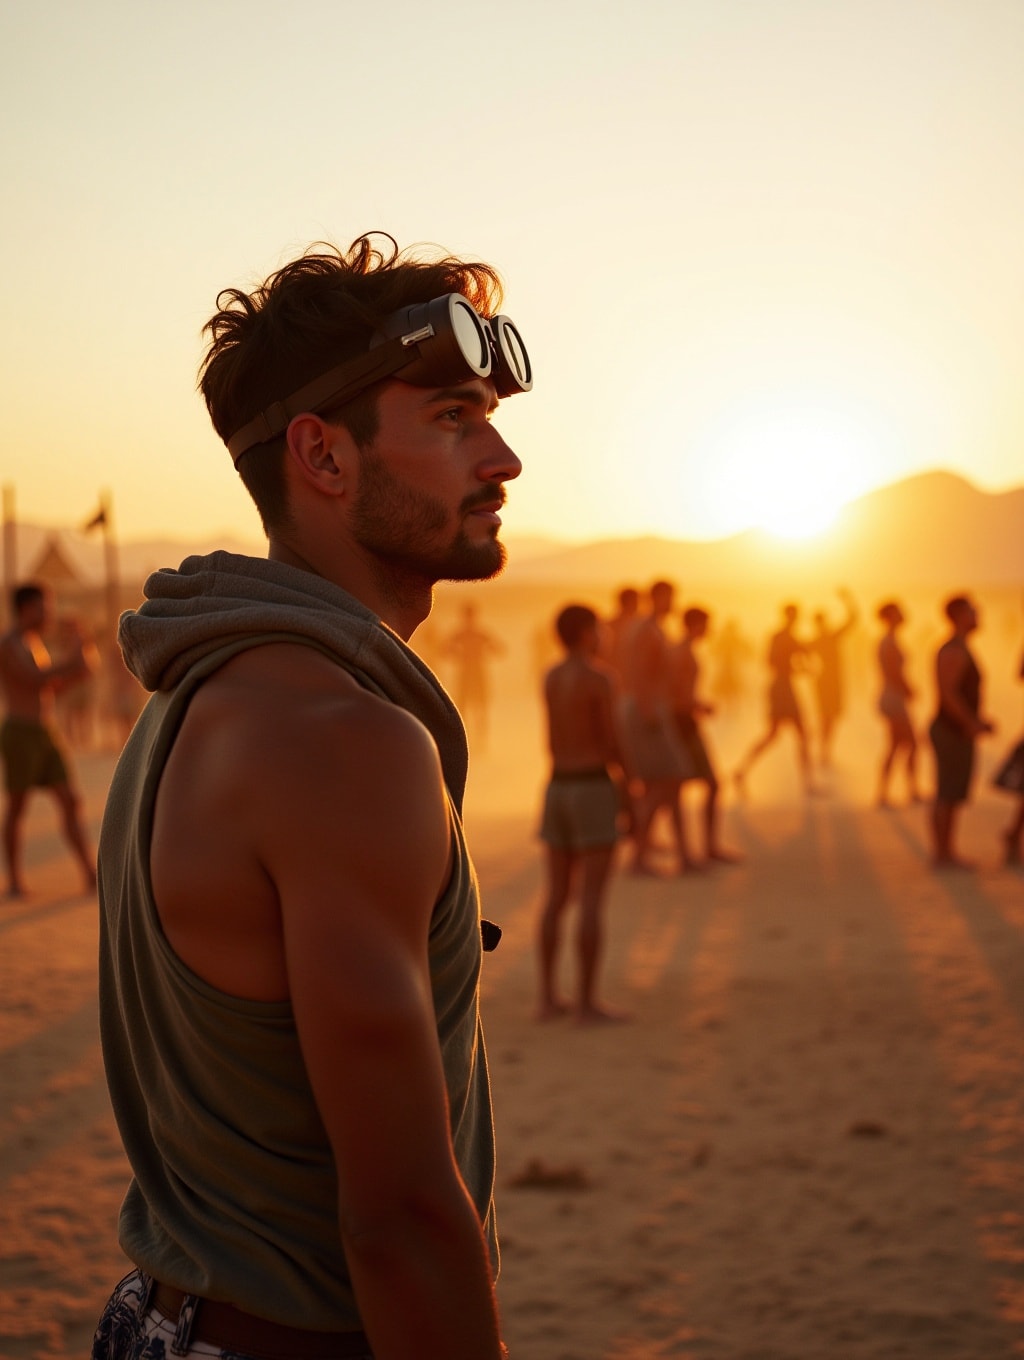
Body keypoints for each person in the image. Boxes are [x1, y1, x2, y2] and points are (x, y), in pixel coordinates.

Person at [92, 234, 529, 1360]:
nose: (503, 458)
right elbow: (398, 1220)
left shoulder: (200, 687)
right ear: (322, 458)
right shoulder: (344, 743)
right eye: (450, 418)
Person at [537, 603, 626, 1024]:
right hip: (591, 786)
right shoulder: (599, 679)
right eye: (600, 628)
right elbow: (610, 742)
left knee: (555, 897)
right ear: (587, 633)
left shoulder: (551, 677)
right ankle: (587, 1003)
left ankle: (548, 998)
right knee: (591, 898)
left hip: (557, 787)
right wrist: (630, 787)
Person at [0, 583, 96, 897]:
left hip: (45, 731)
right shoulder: (10, 643)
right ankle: (14, 878)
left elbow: (49, 689)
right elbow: (33, 679)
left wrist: (77, 669)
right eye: (43, 607)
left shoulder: (34, 643)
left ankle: (89, 871)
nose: (48, 614)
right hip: (20, 732)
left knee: (70, 800)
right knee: (18, 806)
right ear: (25, 609)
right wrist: (73, 659)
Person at [618, 580, 692, 874]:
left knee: (665, 785)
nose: (673, 603)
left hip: (650, 709)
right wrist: (650, 713)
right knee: (666, 780)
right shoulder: (647, 630)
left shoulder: (651, 628)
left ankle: (679, 855)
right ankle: (639, 856)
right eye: (670, 597)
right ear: (659, 597)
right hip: (648, 711)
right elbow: (640, 674)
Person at [670, 607, 741, 866]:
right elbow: (677, 695)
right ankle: (700, 850)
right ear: (695, 624)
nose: (709, 630)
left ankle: (700, 849)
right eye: (706, 624)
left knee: (673, 789)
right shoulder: (681, 653)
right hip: (683, 724)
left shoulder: (682, 651)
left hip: (685, 722)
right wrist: (699, 706)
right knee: (703, 785)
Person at [928, 594, 994, 869]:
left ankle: (947, 851)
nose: (978, 615)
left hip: (957, 730)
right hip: (950, 730)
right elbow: (948, 694)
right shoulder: (953, 649)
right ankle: (942, 854)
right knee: (947, 792)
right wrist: (970, 723)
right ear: (958, 616)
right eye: (972, 611)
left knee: (954, 793)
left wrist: (978, 721)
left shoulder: (962, 647)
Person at [734, 602, 816, 796]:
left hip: (782, 687)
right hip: (782, 689)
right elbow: (777, 662)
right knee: (797, 734)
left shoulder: (782, 637)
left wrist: (800, 667)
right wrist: (800, 669)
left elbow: (798, 655)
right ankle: (808, 783)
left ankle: (741, 771)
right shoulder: (783, 637)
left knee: (776, 735)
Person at [875, 600, 921, 807]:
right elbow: (894, 673)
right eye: (898, 612)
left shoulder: (891, 640)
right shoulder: (888, 642)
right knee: (908, 743)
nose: (903, 614)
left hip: (894, 697)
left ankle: (898, 791)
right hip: (893, 698)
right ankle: (903, 791)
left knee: (900, 745)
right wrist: (909, 689)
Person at [442, 601, 504, 749]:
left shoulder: (477, 633)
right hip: (468, 673)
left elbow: (499, 649)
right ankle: (467, 739)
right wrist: (457, 654)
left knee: (479, 707)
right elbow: (444, 650)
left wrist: (485, 652)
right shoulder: (462, 633)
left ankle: (481, 740)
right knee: (465, 707)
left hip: (476, 673)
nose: (469, 620)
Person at [808, 587, 858, 767]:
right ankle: (822, 749)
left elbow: (852, 619)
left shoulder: (828, 637)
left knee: (831, 717)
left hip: (830, 681)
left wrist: (848, 600)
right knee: (826, 717)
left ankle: (824, 749)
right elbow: (852, 619)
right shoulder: (825, 638)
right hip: (826, 682)